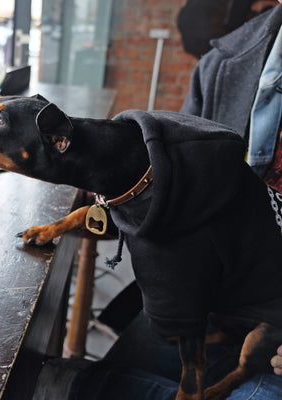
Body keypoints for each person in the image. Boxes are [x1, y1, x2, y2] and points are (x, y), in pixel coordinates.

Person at [34, 2, 282, 399]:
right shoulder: (222, 62)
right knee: (59, 384)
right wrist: (105, 189)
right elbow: (165, 189)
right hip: (208, 304)